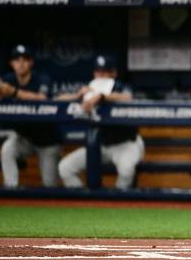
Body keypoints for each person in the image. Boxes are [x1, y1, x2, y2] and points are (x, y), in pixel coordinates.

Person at [58, 55, 144, 190]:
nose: (101, 75)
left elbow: (128, 97)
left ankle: (118, 204)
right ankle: (85, 204)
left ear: (113, 73)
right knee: (65, 167)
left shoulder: (121, 86)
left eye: (105, 72)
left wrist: (102, 96)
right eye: (98, 71)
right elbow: (58, 99)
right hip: (100, 145)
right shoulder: (88, 90)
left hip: (126, 143)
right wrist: (77, 96)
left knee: (126, 171)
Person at [0, 45, 61, 188]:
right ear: (11, 63)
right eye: (16, 59)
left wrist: (14, 92)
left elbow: (42, 99)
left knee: (50, 186)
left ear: (31, 62)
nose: (21, 62)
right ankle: (11, 189)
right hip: (25, 139)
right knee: (8, 149)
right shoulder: (7, 79)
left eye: (25, 59)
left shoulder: (41, 78)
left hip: (48, 141)